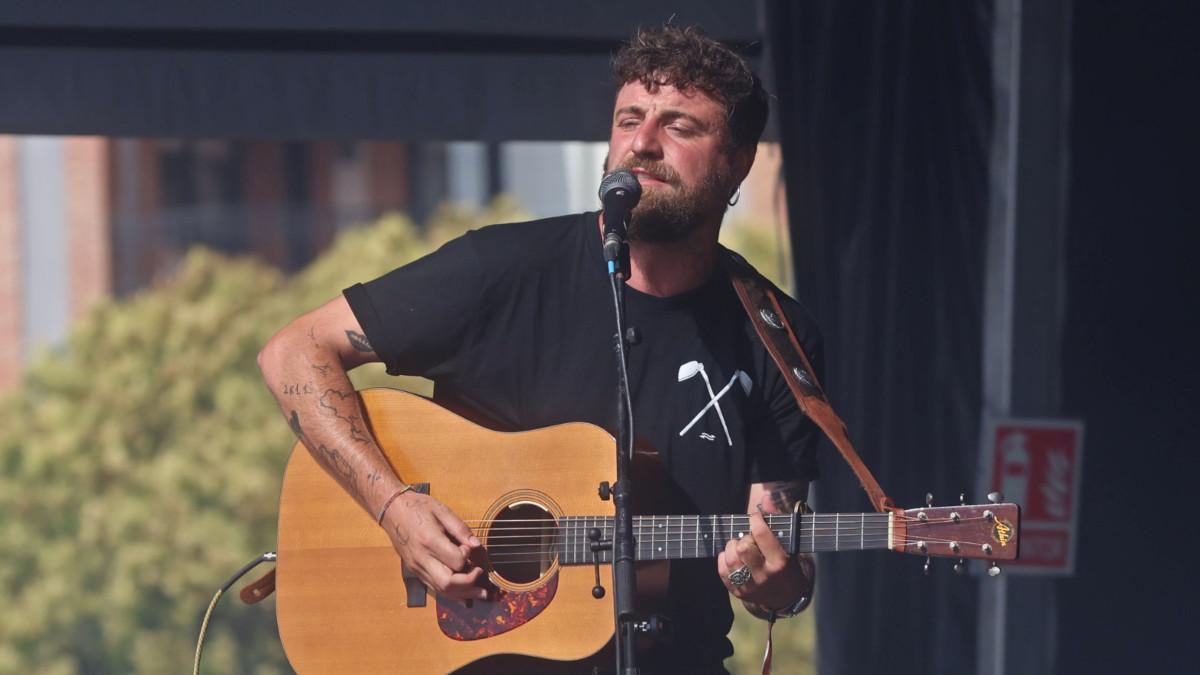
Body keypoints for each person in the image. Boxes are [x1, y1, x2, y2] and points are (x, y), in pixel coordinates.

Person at [259, 25, 819, 673]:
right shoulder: (501, 270)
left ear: (739, 160)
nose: (641, 143)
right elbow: (294, 351)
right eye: (629, 119)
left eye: (679, 126)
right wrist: (394, 506)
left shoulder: (778, 334)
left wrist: (770, 580)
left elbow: (777, 554)